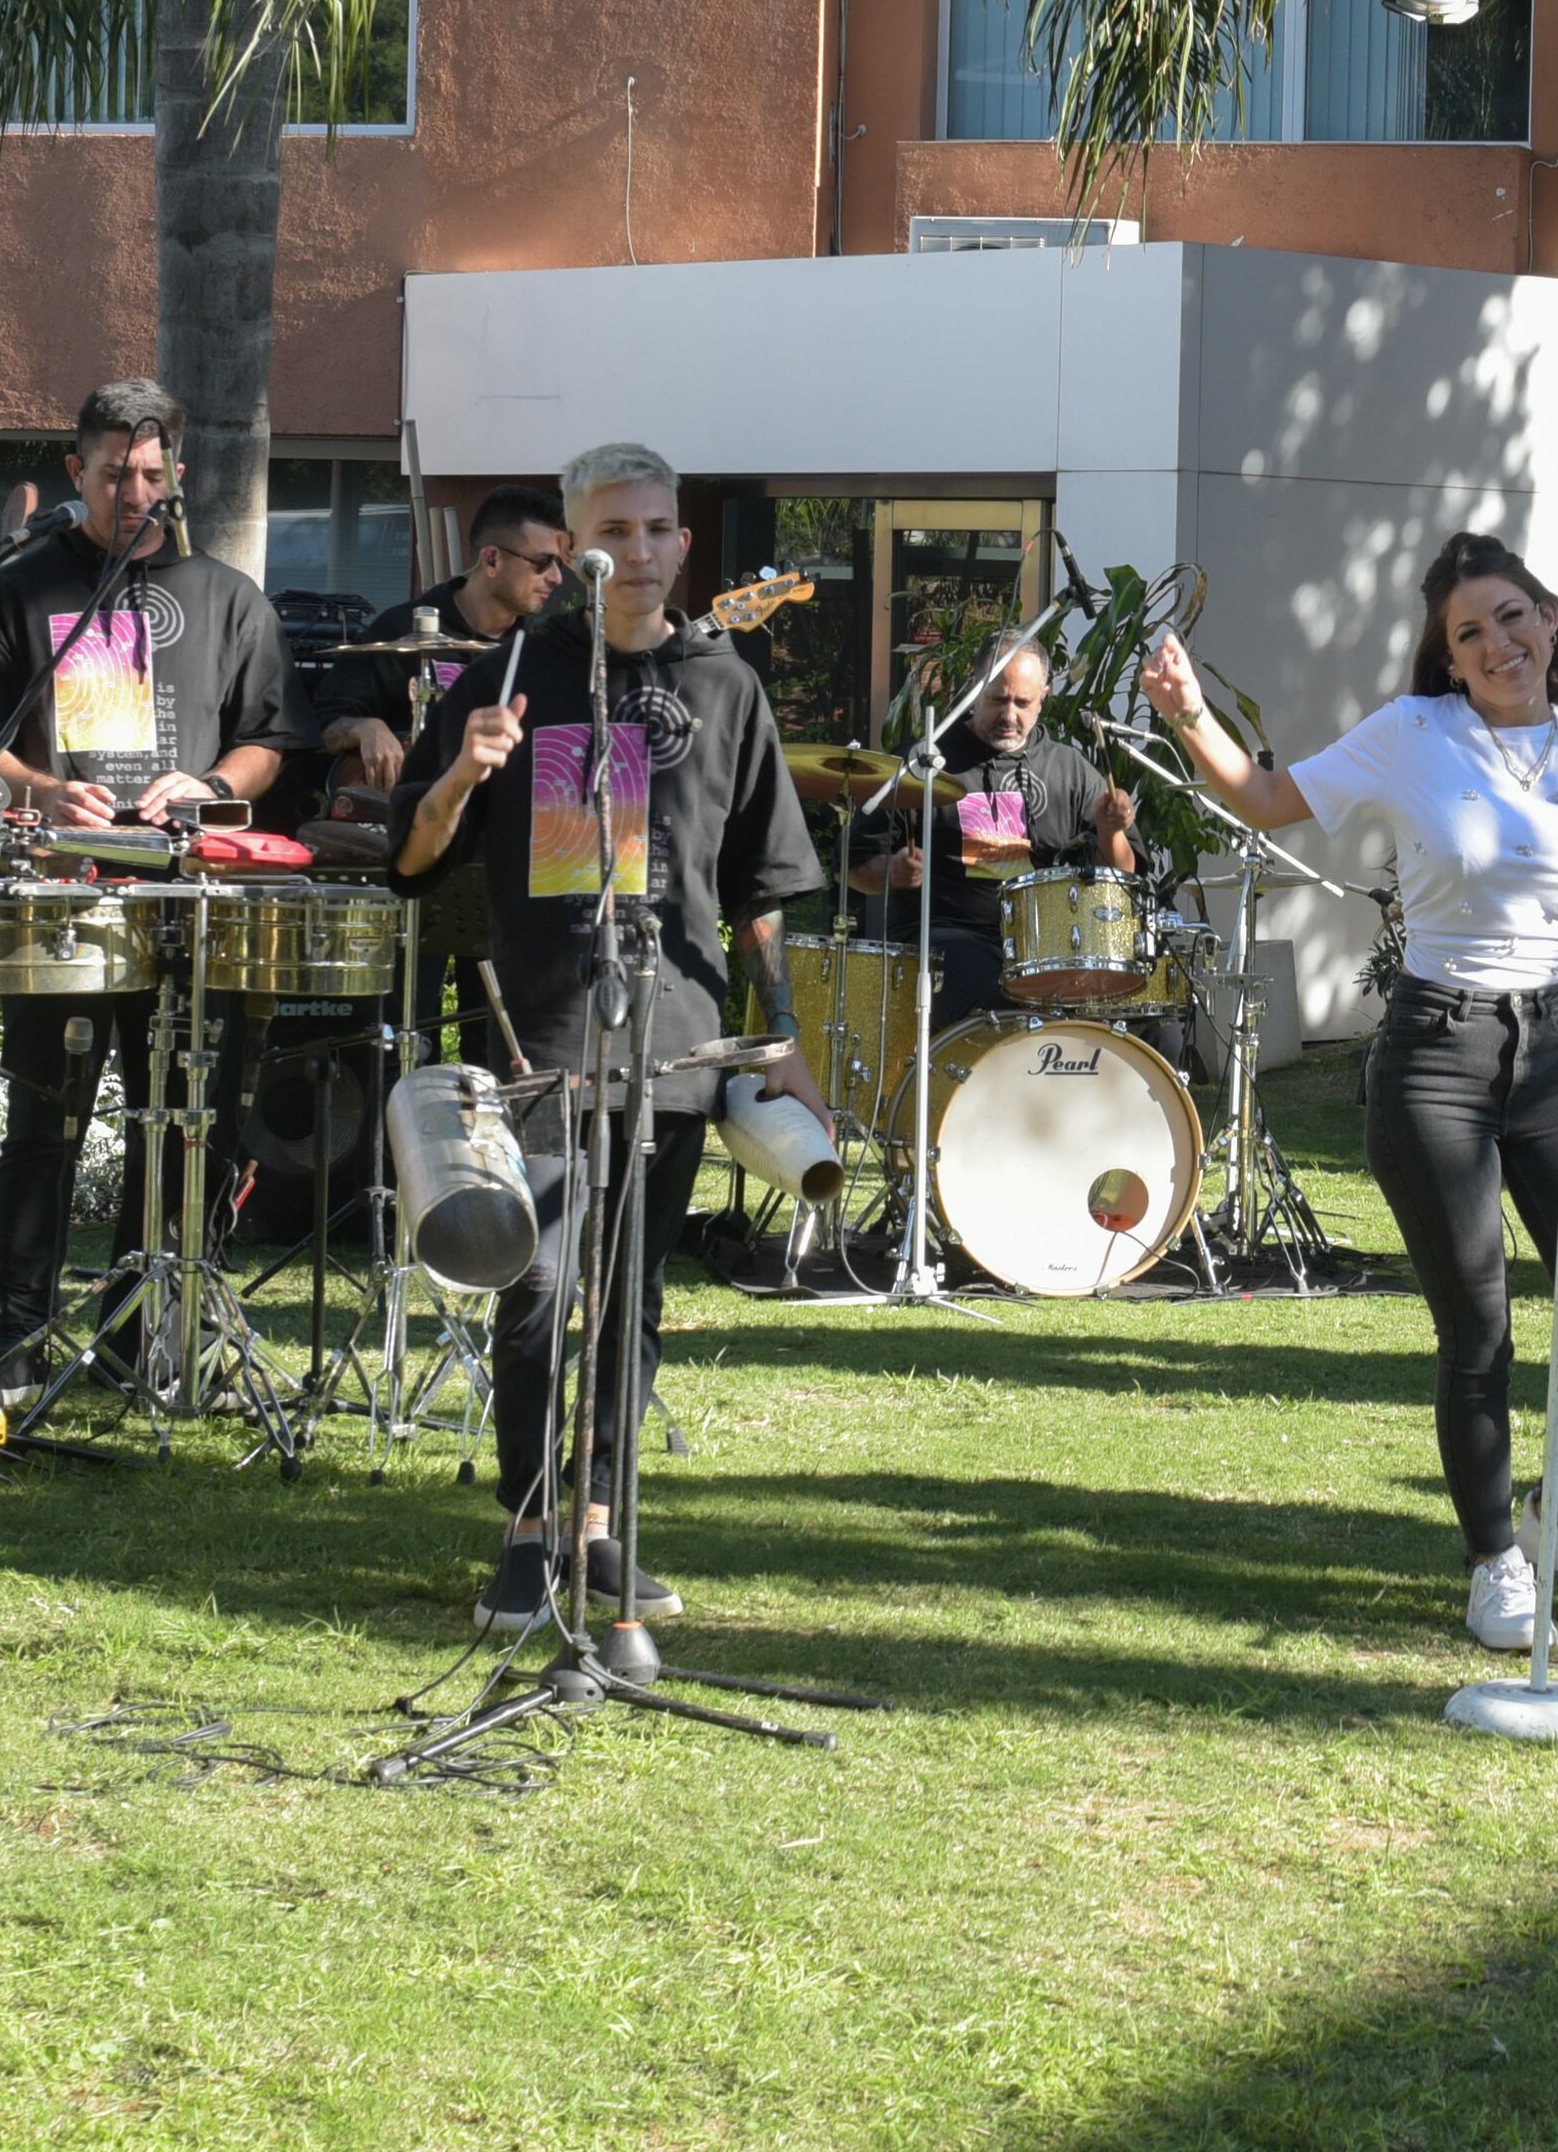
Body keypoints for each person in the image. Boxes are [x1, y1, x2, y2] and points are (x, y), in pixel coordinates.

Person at [1139, 533, 1558, 1652]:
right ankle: (1494, 1558)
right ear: (1446, 661)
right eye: (1469, 633)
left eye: (1510, 617)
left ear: (1548, 621)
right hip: (1435, 1055)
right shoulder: (1413, 735)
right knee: (1480, 1331)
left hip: (1555, 1049)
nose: (1496, 643)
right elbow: (1264, 797)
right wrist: (1184, 711)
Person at [397, 439, 831, 1632]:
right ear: (572, 551)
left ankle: (600, 1522)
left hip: (675, 1036)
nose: (635, 552)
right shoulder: (508, 673)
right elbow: (412, 856)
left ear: (682, 543)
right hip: (537, 1027)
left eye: (655, 530)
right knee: (536, 1278)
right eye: (611, 532)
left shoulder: (725, 686)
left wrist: (779, 1029)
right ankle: (527, 1528)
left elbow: (759, 882)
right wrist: (457, 779)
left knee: (631, 1293)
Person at [0, 378, 293, 1379]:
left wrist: (218, 781)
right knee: (44, 1122)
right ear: (75, 472)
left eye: (150, 472)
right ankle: (16, 1343)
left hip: (188, 899)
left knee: (174, 1124)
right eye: (110, 474)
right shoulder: (19, 588)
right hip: (61, 896)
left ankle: (145, 1341)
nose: (132, 492)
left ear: (176, 471)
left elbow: (271, 741)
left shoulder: (229, 599)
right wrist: (44, 791)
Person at [314, 485, 570, 1054]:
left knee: (501, 1047)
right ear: (492, 560)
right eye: (544, 562)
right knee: (404, 1029)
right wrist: (365, 728)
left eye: (563, 563)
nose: (556, 578)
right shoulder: (402, 627)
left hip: (507, 865)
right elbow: (325, 724)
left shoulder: (550, 652)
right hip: (418, 859)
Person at [847, 636, 1138, 1020]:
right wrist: (894, 872)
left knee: (1140, 1013)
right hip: (946, 939)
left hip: (1047, 949)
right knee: (987, 984)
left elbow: (1122, 874)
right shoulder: (924, 763)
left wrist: (1110, 832)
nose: (1009, 715)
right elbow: (853, 868)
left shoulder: (1070, 770)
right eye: (998, 700)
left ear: (1044, 697)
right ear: (974, 687)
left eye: (1023, 703)